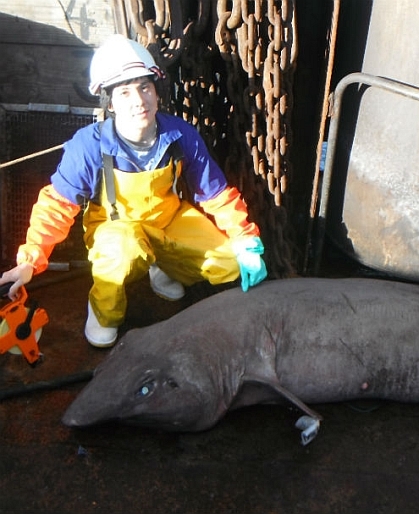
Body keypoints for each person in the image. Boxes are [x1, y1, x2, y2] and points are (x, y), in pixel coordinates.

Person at [0, 35, 267, 348]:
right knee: (121, 253)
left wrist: (245, 239)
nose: (139, 100)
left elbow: (216, 194)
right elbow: (55, 206)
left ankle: (161, 267)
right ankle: (103, 313)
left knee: (229, 262)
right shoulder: (88, 145)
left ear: (156, 92)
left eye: (145, 87)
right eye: (125, 92)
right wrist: (30, 261)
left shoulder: (180, 135)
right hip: (115, 227)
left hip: (169, 220)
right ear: (110, 103)